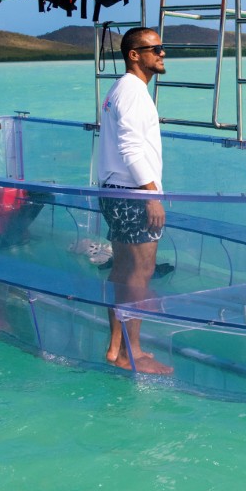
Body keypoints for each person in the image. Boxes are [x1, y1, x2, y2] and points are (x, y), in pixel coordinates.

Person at [94, 26, 173, 374]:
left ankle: (116, 346)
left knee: (124, 271)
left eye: (162, 48)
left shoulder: (122, 89)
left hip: (117, 190)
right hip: (133, 193)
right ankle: (131, 352)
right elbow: (130, 148)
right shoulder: (133, 92)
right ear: (134, 55)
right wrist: (151, 195)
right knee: (140, 272)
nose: (162, 53)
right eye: (154, 49)